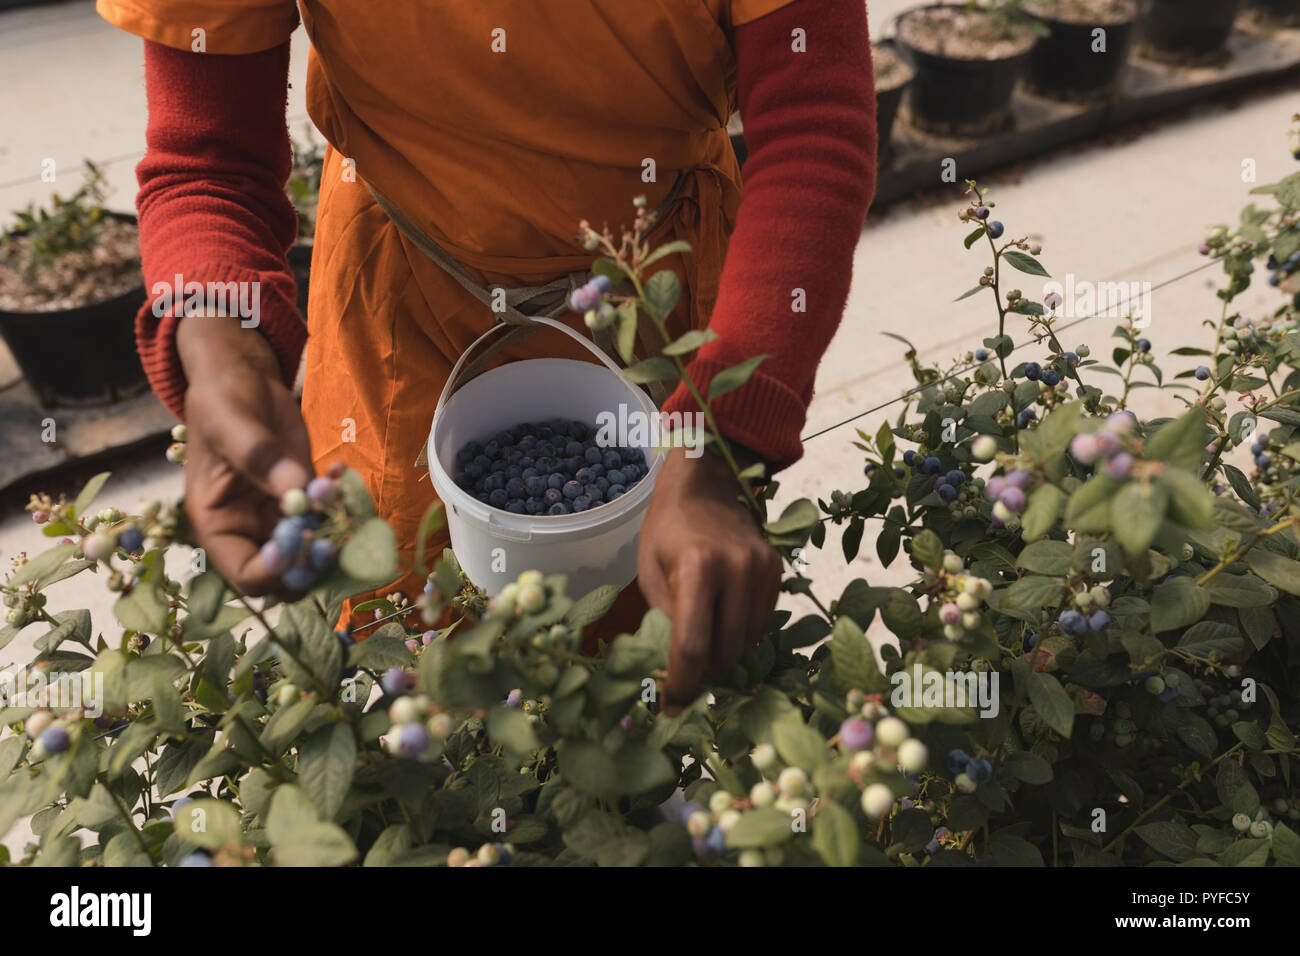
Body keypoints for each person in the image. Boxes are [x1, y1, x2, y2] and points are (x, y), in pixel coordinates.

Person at [99, 0, 877, 714]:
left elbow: (813, 128)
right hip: (399, 299)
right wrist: (221, 345)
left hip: (655, 299)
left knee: (636, 672)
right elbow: (208, 162)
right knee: (412, 660)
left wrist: (714, 436)